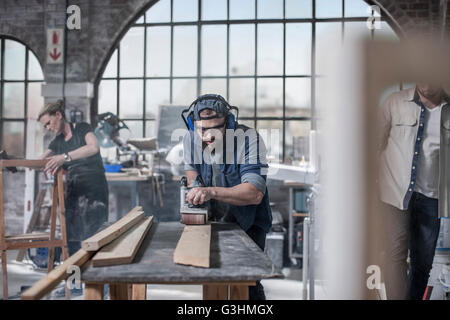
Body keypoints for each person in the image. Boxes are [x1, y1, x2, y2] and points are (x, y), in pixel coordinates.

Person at [182, 94, 272, 300]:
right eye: (202, 129)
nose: (207, 136)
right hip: (214, 221)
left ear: (229, 124)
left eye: (215, 128)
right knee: (214, 279)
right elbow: (191, 171)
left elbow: (254, 192)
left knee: (246, 282)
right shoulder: (190, 137)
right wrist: (195, 187)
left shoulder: (250, 139)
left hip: (247, 222)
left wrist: (210, 191)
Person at [378, 84, 450, 299]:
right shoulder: (394, 102)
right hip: (395, 193)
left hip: (432, 197)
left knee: (423, 263)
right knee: (395, 256)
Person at [38, 100, 109, 258]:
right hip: (74, 190)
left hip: (94, 190)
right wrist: (13, 163)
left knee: (94, 235)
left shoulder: (82, 128)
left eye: (49, 123)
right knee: (71, 237)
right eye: (45, 126)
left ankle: (96, 279)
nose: (48, 128)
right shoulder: (57, 142)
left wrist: (64, 157)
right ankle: (75, 279)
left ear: (58, 115)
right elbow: (39, 161)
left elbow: (93, 147)